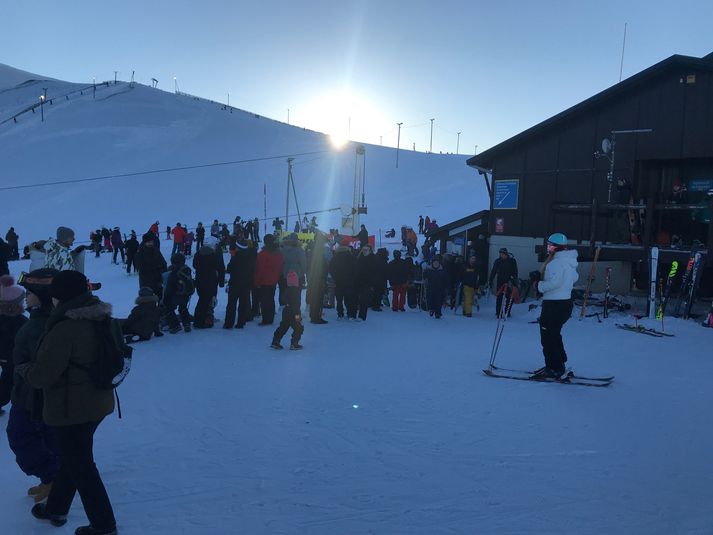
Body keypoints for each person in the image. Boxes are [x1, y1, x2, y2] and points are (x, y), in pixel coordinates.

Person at [17, 270, 116, 533]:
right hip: (98, 402)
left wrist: (23, 367)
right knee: (75, 459)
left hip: (72, 409)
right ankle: (56, 507)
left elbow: (41, 376)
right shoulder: (101, 316)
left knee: (82, 466)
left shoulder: (65, 328)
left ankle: (104, 526)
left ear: (60, 297)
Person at [8, 269, 60, 504]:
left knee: (20, 436)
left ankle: (52, 477)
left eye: (30, 293)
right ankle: (53, 477)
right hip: (36, 396)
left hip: (31, 397)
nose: (26, 297)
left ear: (43, 295)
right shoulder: (42, 321)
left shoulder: (39, 326)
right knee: (47, 437)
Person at [530, 233, 579, 380]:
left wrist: (538, 285)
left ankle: (554, 368)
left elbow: (554, 283)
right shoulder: (569, 261)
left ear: (556, 247)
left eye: (550, 245)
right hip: (564, 304)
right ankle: (558, 364)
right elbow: (574, 278)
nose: (548, 248)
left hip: (554, 305)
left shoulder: (557, 263)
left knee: (547, 336)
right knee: (554, 334)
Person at [271, 234, 306, 350]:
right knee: (298, 322)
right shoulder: (299, 251)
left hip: (285, 276)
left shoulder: (282, 250)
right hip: (297, 276)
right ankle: (294, 342)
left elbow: (279, 263)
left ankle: (276, 340)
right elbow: (304, 264)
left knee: (287, 299)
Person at [0, 275, 28, 415]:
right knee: (8, 379)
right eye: (21, 301)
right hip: (10, 355)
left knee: (8, 377)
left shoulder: (14, 319)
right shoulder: (18, 321)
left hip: (6, 355)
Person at [192, 237, 225, 329]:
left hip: (200, 280)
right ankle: (202, 321)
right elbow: (221, 268)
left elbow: (194, 265)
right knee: (207, 301)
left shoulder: (198, 253)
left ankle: (201, 319)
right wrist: (221, 281)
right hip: (211, 281)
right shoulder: (215, 254)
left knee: (202, 300)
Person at [224, 239, 256, 329]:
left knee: (231, 304)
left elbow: (229, 269)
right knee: (243, 304)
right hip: (246, 283)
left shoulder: (236, 257)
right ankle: (241, 322)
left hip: (235, 283)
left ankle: (229, 323)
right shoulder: (251, 257)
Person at [254, 234, 283, 326]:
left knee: (264, 300)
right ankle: (270, 318)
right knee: (271, 299)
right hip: (274, 280)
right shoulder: (279, 253)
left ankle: (266, 319)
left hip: (264, 281)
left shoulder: (262, 254)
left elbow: (260, 269)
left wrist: (257, 281)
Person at [163, 254, 194, 334]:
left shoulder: (172, 271)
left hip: (175, 294)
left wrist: (166, 298)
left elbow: (170, 287)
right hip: (186, 294)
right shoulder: (186, 269)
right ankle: (186, 324)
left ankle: (175, 326)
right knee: (183, 308)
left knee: (169, 309)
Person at [134, 232, 167, 300]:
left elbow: (163, 263)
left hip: (158, 282)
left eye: (151, 242)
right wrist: (156, 268)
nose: (150, 244)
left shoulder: (156, 250)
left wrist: (162, 275)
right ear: (144, 242)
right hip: (146, 283)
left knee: (161, 300)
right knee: (148, 302)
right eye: (148, 242)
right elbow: (141, 268)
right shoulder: (140, 253)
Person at [488, 247, 518, 318]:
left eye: (502, 254)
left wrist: (514, 280)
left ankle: (507, 311)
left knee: (510, 297)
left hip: (509, 281)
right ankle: (498, 313)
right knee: (499, 297)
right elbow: (494, 271)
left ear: (506, 254)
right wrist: (490, 280)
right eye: (500, 254)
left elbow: (515, 272)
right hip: (500, 281)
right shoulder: (498, 261)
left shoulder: (512, 261)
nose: (501, 255)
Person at [330, 244, 357, 320]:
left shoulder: (335, 257)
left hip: (338, 281)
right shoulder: (351, 256)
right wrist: (352, 277)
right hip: (349, 281)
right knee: (348, 298)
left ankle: (340, 314)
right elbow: (355, 268)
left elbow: (331, 268)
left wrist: (335, 277)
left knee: (339, 299)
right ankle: (349, 314)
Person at [307, 234, 329, 324]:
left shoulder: (311, 249)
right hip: (318, 278)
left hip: (312, 277)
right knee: (318, 298)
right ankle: (316, 317)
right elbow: (322, 266)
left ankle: (313, 315)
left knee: (314, 297)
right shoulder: (319, 251)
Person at [354, 245, 373, 321]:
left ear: (370, 251)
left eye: (366, 250)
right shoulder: (359, 258)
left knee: (364, 300)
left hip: (367, 282)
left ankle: (362, 316)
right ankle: (354, 314)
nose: (364, 251)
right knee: (357, 299)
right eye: (363, 249)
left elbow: (373, 272)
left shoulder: (372, 259)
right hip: (358, 281)